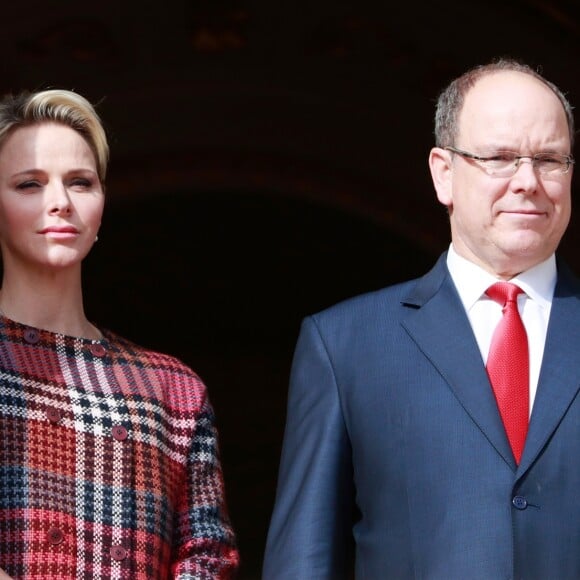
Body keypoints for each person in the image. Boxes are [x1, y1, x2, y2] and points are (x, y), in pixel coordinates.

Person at [262, 58, 580, 579]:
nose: (528, 181)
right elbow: (305, 559)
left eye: (549, 159)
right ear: (444, 173)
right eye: (500, 157)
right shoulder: (346, 344)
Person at [0, 89, 239, 578]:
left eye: (80, 182)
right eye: (29, 184)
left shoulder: (174, 390)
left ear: (102, 203)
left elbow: (208, 557)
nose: (60, 203)